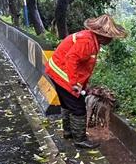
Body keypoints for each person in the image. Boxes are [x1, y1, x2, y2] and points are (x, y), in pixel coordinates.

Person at [45, 14, 127, 148]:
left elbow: (83, 66)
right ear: (102, 35)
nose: (111, 40)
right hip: (62, 74)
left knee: (67, 103)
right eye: (110, 37)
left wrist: (84, 85)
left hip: (56, 71)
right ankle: (80, 139)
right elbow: (71, 59)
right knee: (78, 108)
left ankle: (68, 132)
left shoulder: (91, 39)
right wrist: (74, 84)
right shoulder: (87, 42)